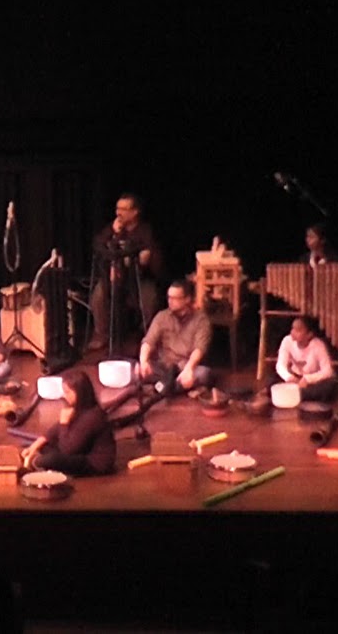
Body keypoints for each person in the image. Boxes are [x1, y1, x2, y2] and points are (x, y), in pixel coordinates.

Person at [88, 194, 163, 352]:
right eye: (117, 208)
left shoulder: (145, 231)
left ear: (135, 212)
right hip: (114, 279)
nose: (118, 213)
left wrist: (143, 258)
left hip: (139, 280)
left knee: (149, 298)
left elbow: (150, 257)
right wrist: (114, 233)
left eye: (123, 209)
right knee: (98, 295)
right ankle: (101, 334)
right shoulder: (113, 228)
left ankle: (146, 337)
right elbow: (99, 244)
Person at [22, 368, 115, 476]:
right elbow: (54, 431)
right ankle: (39, 460)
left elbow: (68, 450)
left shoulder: (93, 416)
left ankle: (35, 463)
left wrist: (64, 423)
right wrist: (33, 447)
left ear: (79, 393)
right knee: (44, 445)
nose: (64, 396)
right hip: (79, 450)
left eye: (67, 392)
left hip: (93, 463)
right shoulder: (78, 408)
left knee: (51, 459)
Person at [139, 280, 214, 396]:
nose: (170, 301)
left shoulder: (201, 320)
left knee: (204, 374)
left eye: (174, 298)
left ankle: (162, 387)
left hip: (185, 367)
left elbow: (200, 348)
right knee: (136, 370)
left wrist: (189, 368)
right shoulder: (162, 316)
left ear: (187, 299)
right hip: (164, 367)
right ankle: (171, 387)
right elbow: (148, 341)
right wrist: (143, 361)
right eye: (169, 297)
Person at [276, 314, 338, 403]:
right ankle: (298, 394)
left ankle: (296, 394)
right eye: (292, 328)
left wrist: (308, 379)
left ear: (309, 334)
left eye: (298, 330)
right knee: (272, 381)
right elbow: (280, 365)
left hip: (312, 381)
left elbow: (328, 371)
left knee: (329, 386)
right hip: (294, 378)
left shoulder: (318, 345)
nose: (292, 332)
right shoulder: (287, 341)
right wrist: (289, 377)